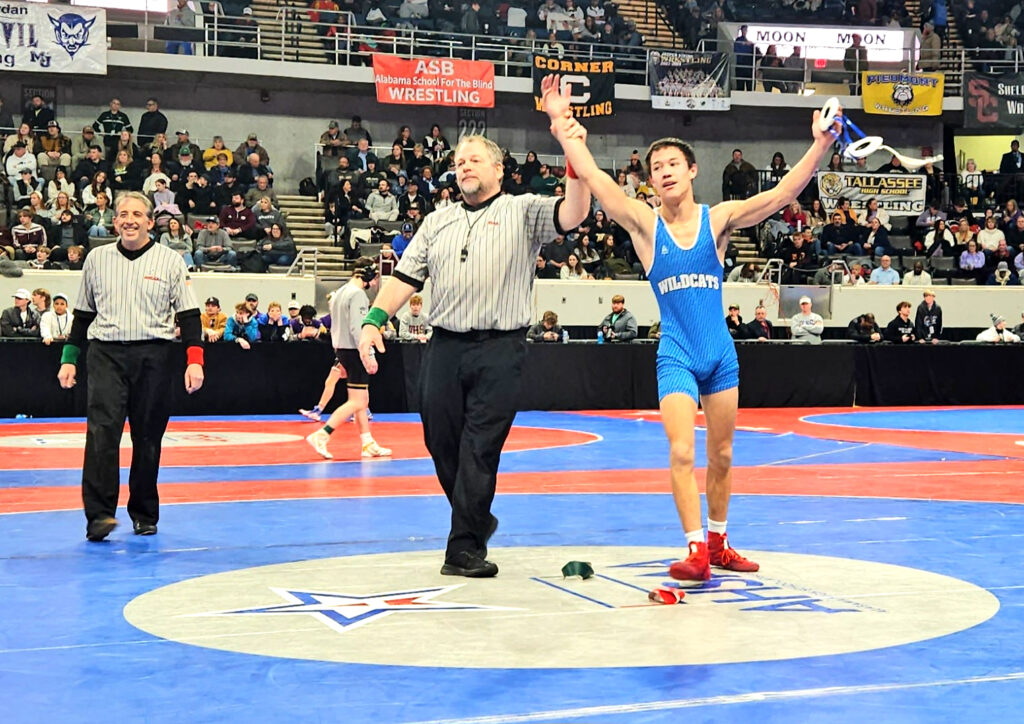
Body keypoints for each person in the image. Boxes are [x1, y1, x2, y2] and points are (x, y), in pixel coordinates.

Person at [541, 74, 839, 580]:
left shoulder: (718, 219)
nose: (664, 173)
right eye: (656, 168)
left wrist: (820, 145)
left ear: (692, 170)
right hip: (676, 353)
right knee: (681, 449)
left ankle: (721, 543)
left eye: (673, 164)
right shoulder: (643, 224)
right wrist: (559, 120)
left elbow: (785, 193)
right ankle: (696, 549)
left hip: (720, 355)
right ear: (651, 179)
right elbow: (593, 176)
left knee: (722, 454)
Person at [357, 130, 589, 578]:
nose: (464, 166)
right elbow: (405, 277)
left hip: (500, 348)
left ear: (498, 169)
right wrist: (373, 321)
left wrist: (573, 155)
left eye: (475, 159)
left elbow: (575, 212)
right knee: (439, 441)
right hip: (445, 345)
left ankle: (463, 548)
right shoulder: (436, 220)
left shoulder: (522, 210)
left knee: (479, 448)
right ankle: (477, 518)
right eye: (460, 161)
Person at [57, 192, 204, 542]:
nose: (129, 220)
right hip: (105, 354)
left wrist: (194, 361)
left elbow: (189, 316)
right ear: (115, 221)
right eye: (123, 214)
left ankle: (144, 512)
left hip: (154, 356)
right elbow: (82, 314)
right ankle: (99, 516)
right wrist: (69, 359)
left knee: (148, 437)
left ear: (151, 222)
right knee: (101, 434)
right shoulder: (96, 259)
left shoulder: (171, 261)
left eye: (137, 214)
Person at [306, 258, 392, 460]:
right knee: (357, 401)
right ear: (368, 275)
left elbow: (336, 326)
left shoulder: (340, 293)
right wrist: (368, 355)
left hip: (341, 348)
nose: (374, 283)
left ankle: (367, 442)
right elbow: (358, 328)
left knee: (361, 400)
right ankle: (322, 434)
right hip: (354, 350)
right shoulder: (358, 295)